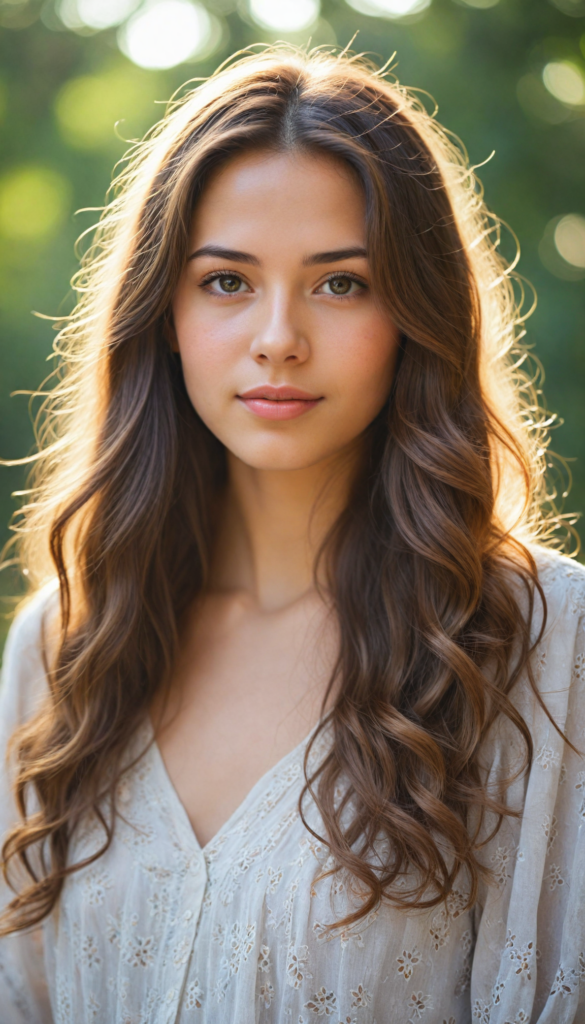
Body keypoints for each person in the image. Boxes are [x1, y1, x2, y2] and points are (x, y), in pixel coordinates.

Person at [0, 44, 583, 1024]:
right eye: (227, 281)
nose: (278, 335)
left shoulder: (536, 635)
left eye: (340, 283)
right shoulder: (66, 646)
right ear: (165, 314)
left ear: (415, 316)